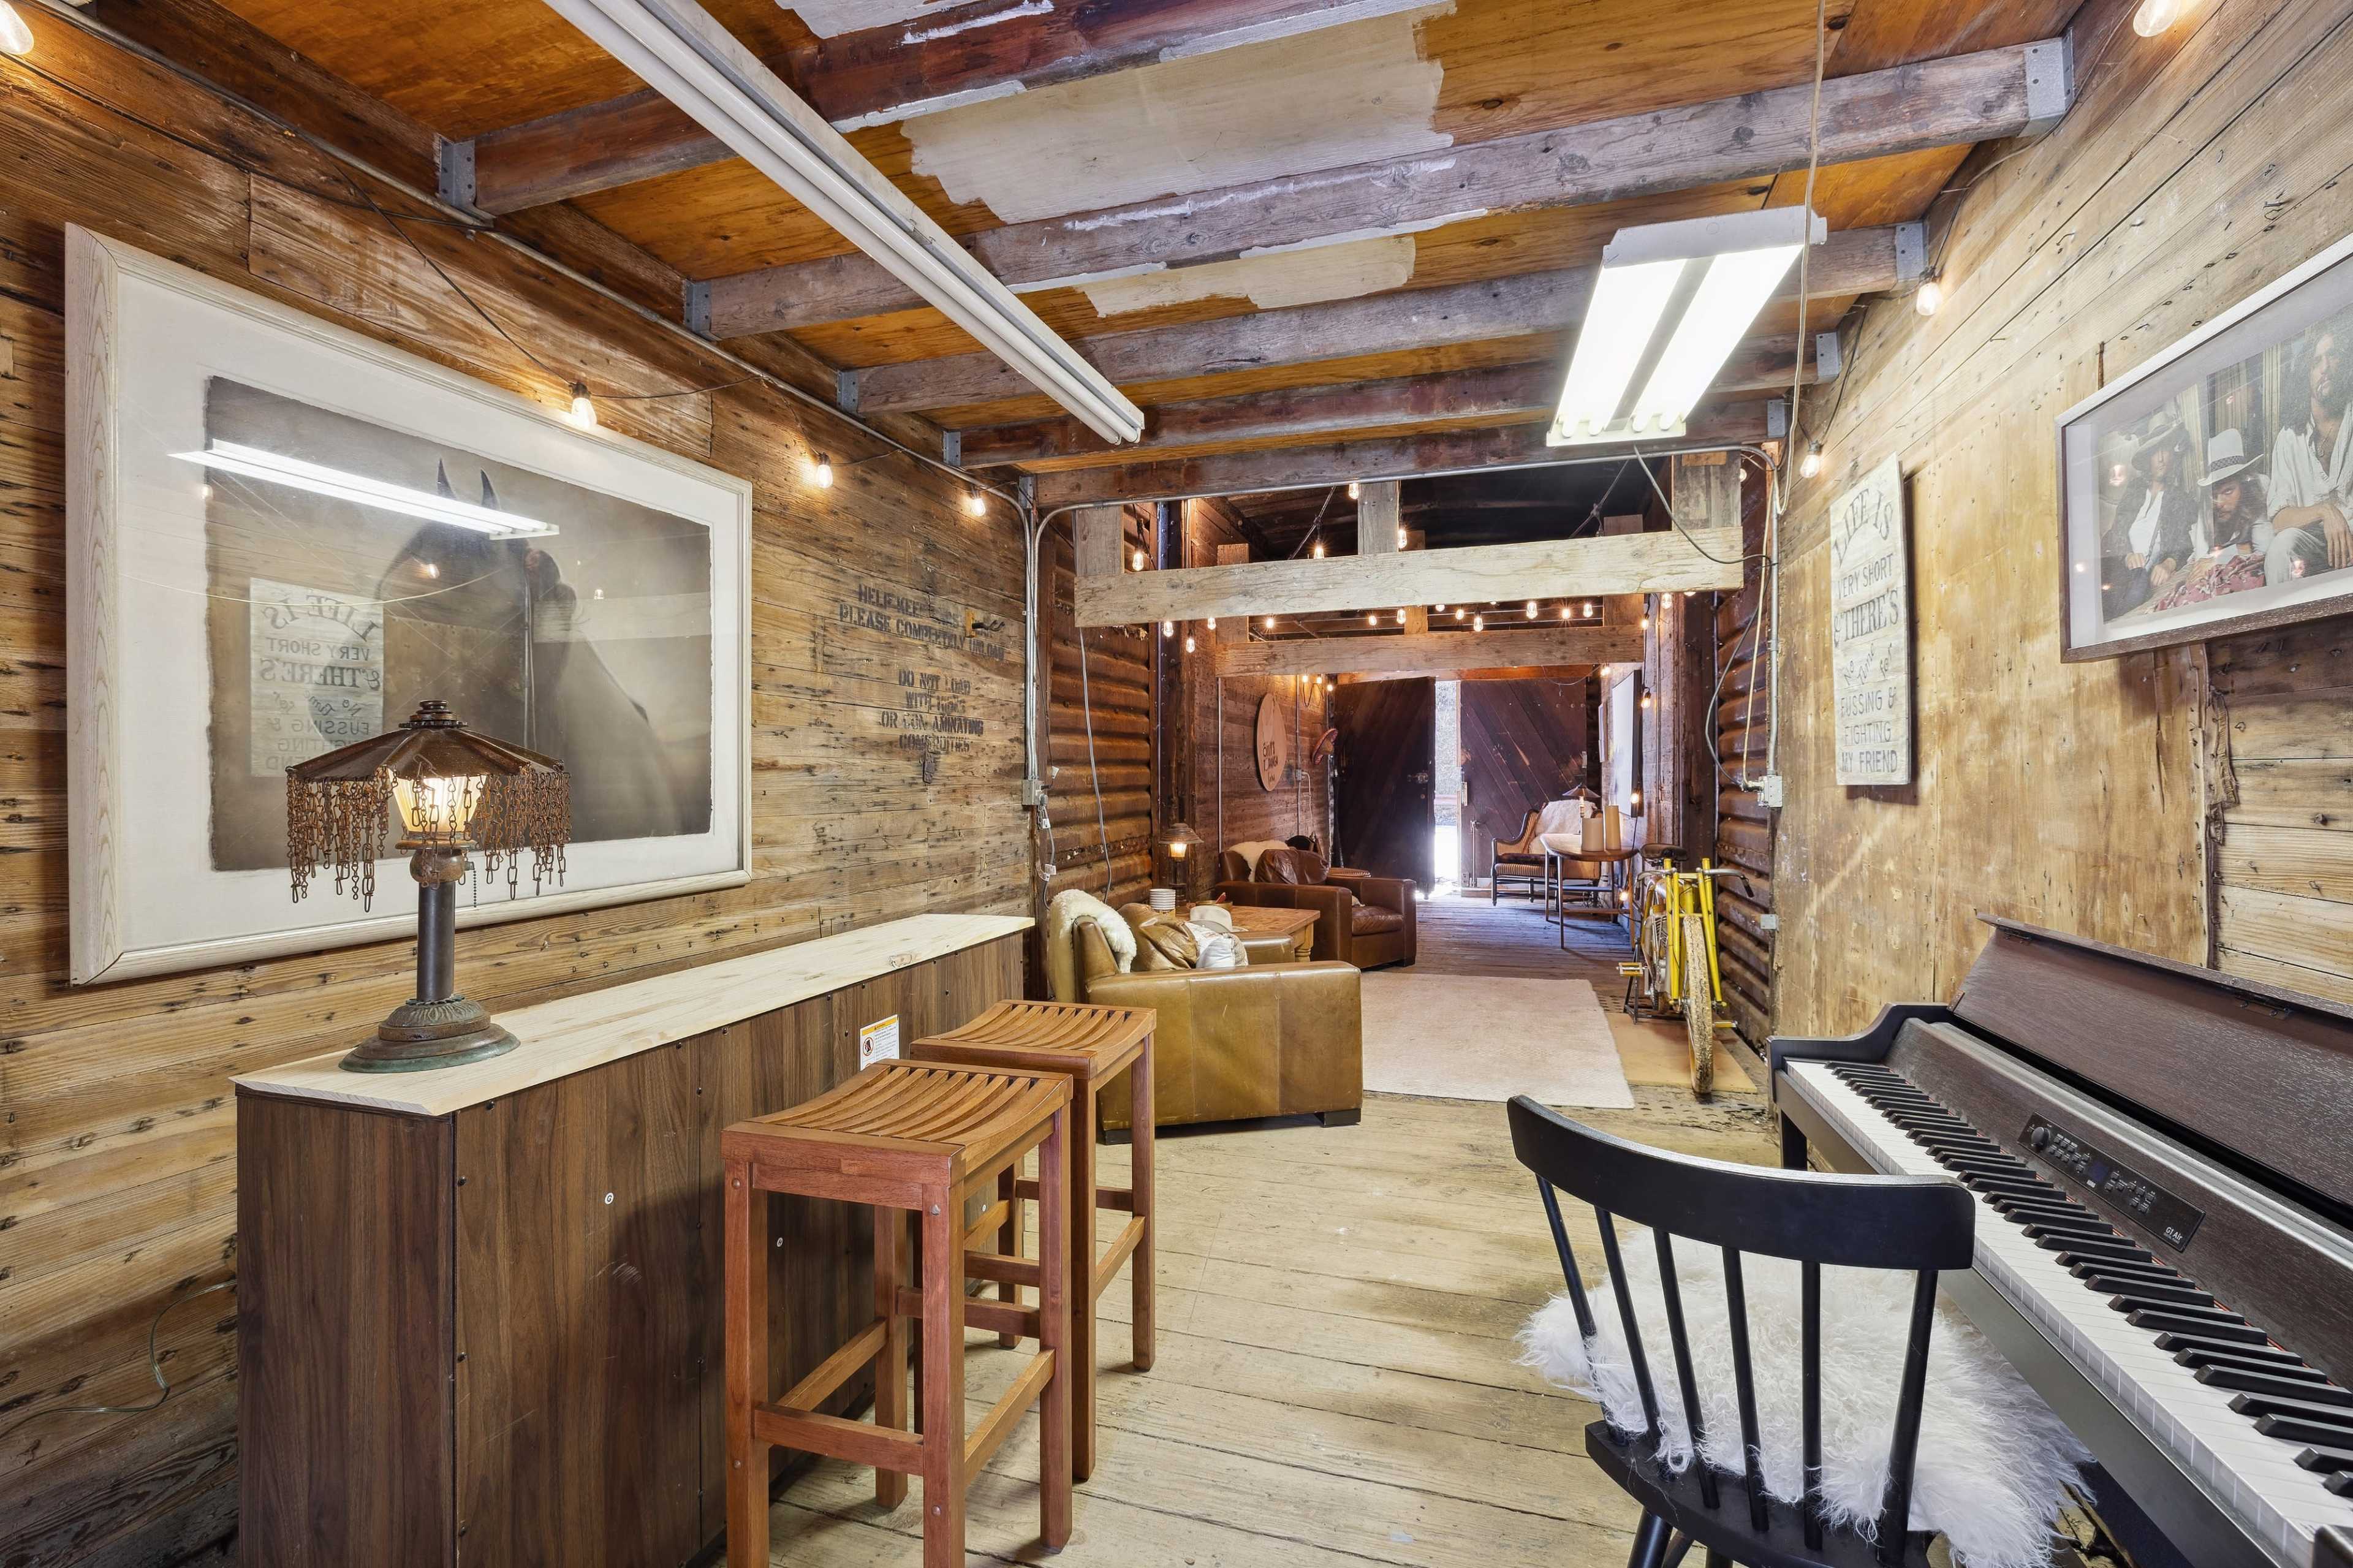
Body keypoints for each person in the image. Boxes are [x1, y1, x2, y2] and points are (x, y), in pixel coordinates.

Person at [2264, 322, 2353, 585]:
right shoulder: (2289, 438)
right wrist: (2325, 512)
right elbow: (2280, 519)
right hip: (2316, 545)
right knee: (2282, 547)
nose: (2325, 367)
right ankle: (2280, 626)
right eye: (2316, 362)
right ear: (2305, 374)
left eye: (2332, 356)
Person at [2148, 430, 2268, 612]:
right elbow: (2201, 556)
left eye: (2228, 491)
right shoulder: (2207, 503)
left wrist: (2218, 560)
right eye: (2214, 495)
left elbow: (2265, 548)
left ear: (2244, 486)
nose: (2219, 503)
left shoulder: (2258, 489)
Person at [2103, 415, 2196, 616]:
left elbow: (2183, 540)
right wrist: (2127, 554)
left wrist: (2169, 563)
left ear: (2173, 454)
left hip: (2141, 577)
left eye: (2166, 450)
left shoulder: (2179, 498)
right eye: (2156, 453)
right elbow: (2117, 529)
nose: (2161, 458)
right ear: (2148, 459)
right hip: (2117, 566)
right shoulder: (2136, 490)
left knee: (2139, 585)